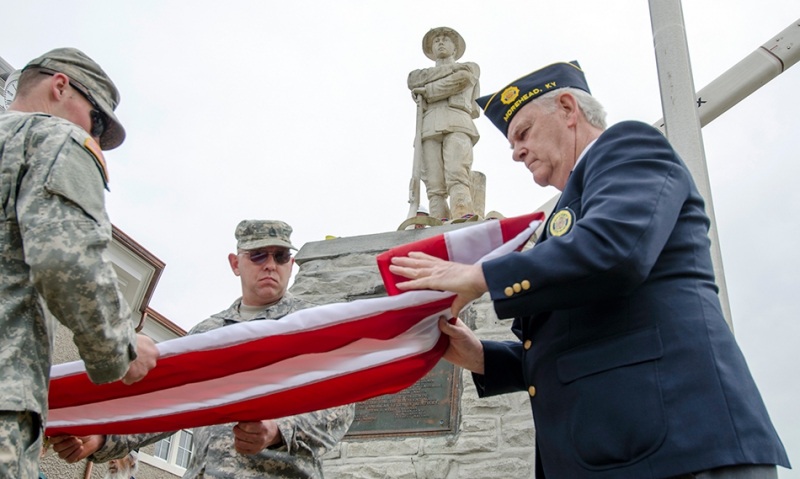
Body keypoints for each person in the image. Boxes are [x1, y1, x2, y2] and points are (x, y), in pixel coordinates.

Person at [389, 62, 790, 478]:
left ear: (567, 108)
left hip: (679, 447)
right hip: (621, 451)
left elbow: (615, 250)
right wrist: (482, 357)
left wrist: (479, 276)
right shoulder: (567, 212)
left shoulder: (629, 146)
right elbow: (577, 340)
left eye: (523, 133)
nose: (516, 152)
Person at [52, 220, 355, 478]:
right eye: (258, 255)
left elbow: (340, 404)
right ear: (236, 264)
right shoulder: (206, 334)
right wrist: (102, 440)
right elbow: (166, 403)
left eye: (280, 256)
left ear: (291, 264)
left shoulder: (312, 326)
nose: (270, 265)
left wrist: (277, 431)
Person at [0, 48, 158, 479]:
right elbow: (64, 257)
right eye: (97, 119)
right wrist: (121, 347)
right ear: (59, 86)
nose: (94, 130)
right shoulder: (52, 138)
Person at [407, 27, 480, 220]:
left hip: (458, 121)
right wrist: (425, 83)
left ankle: (461, 215)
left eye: (445, 39)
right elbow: (412, 80)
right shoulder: (419, 74)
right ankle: (437, 220)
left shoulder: (469, 67)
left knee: (457, 174)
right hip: (429, 126)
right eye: (436, 40)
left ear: (455, 48)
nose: (440, 42)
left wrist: (427, 90)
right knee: (434, 185)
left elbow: (461, 78)